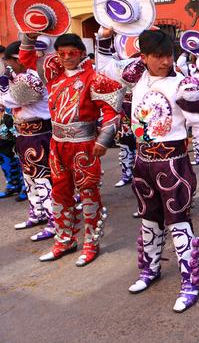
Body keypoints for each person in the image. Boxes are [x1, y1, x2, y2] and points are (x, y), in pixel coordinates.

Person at [96, 28, 199, 312]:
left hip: (174, 164)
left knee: (178, 223)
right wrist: (104, 35)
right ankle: (149, 271)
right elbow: (105, 67)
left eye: (169, 55)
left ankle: (190, 284)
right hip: (143, 162)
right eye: (159, 57)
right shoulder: (137, 77)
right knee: (149, 221)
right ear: (144, 57)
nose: (166, 62)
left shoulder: (184, 85)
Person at [19, 33, 123, 266]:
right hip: (57, 145)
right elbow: (26, 60)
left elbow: (112, 109)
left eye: (72, 53)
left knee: (88, 193)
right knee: (59, 194)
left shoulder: (94, 78)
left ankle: (91, 243)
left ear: (81, 54)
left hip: (84, 146)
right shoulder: (53, 77)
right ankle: (64, 239)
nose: (66, 57)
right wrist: (30, 36)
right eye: (62, 53)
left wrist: (103, 140)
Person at [1, 41, 54, 241]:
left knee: (42, 179)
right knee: (30, 178)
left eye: (9, 62)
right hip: (24, 134)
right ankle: (37, 213)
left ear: (19, 59)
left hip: (38, 134)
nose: (8, 66)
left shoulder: (32, 78)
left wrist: (3, 86)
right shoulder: (17, 77)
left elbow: (12, 100)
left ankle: (54, 221)